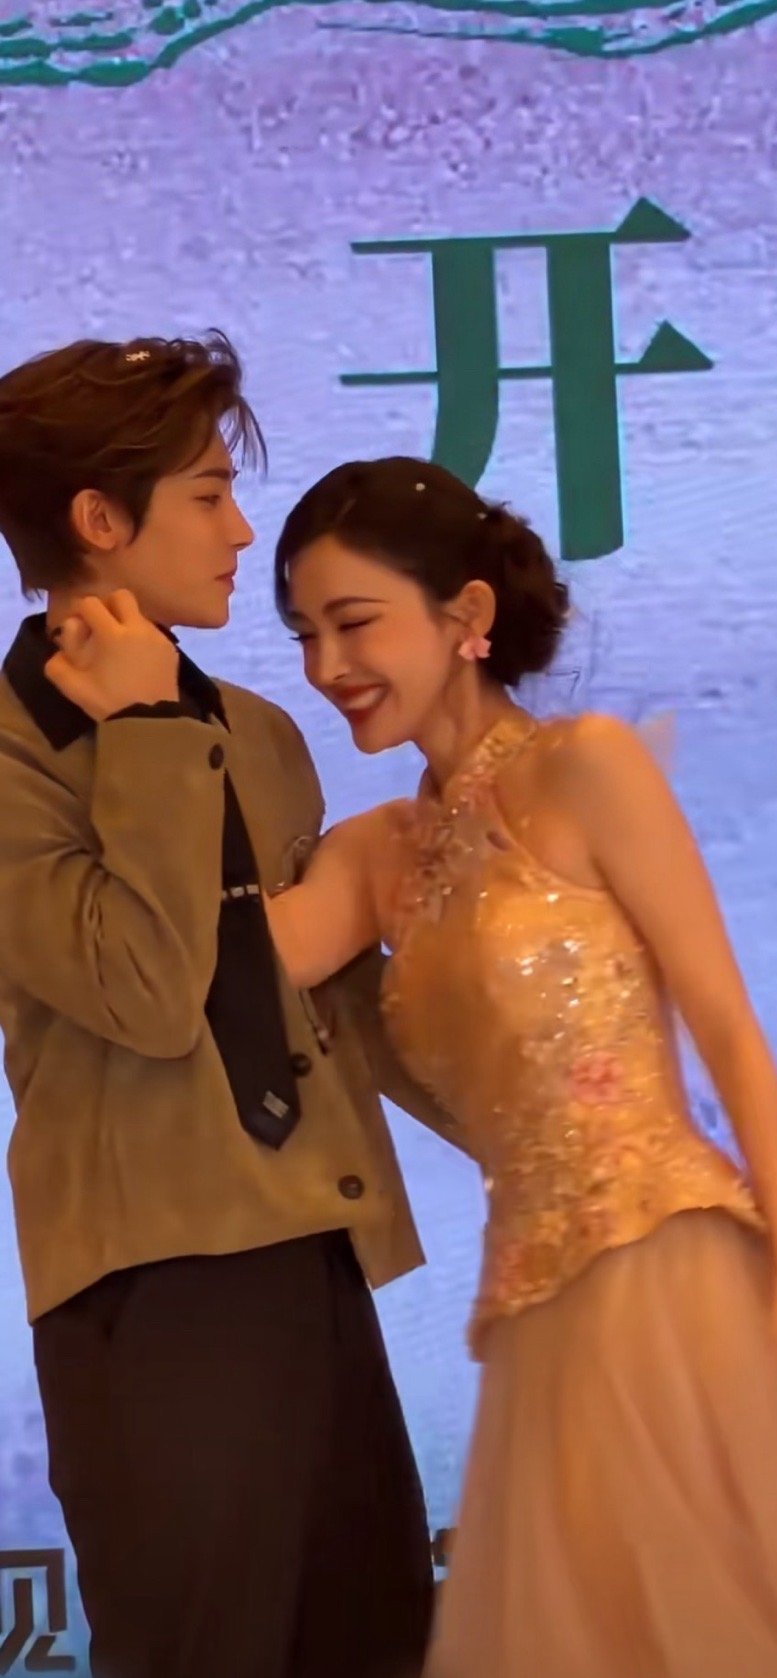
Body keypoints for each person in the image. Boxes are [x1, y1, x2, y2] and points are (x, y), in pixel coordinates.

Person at [73, 454, 777, 1677]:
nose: (328, 666)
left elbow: (728, 1028)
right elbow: (195, 976)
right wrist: (143, 729)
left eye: (354, 622)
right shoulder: (376, 853)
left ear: (467, 614)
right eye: (304, 634)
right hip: (535, 1319)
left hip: (675, 1274)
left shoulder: (588, 766)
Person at [0, 342, 460, 1678]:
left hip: (314, 1251)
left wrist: (562, 1154)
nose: (240, 530)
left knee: (371, 1639)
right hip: (153, 1284)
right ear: (100, 518)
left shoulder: (258, 732)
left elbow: (341, 1008)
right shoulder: (14, 752)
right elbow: (144, 991)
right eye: (207, 494)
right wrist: (145, 730)